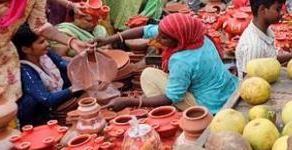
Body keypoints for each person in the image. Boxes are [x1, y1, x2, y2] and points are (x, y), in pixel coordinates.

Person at [101, 13, 238, 114]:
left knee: (148, 75)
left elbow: (171, 97)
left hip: (211, 106)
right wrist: (109, 39)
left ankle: (169, 115)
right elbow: (145, 30)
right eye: (159, 34)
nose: (159, 39)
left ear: (178, 38)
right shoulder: (197, 36)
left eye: (164, 38)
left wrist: (132, 102)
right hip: (228, 90)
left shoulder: (181, 60)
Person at [13, 24, 80, 125]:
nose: (47, 44)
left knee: (69, 74)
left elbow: (65, 65)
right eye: (41, 42)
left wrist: (84, 65)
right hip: (40, 116)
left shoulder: (45, 54)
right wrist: (75, 88)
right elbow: (46, 99)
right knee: (30, 101)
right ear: (25, 49)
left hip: (55, 103)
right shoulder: (24, 70)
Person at [236, 0, 292, 78]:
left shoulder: (266, 30)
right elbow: (249, 81)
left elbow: (270, 58)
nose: (282, 13)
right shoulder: (254, 46)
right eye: (277, 9)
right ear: (262, 10)